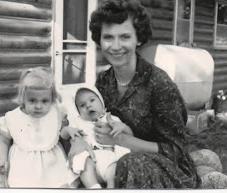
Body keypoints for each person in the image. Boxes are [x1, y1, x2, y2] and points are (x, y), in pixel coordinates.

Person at [68, 0, 201, 189]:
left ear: (138, 39)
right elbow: (88, 121)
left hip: (163, 168)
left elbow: (175, 150)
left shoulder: (159, 84)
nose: (115, 46)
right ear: (99, 40)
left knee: (129, 164)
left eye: (124, 37)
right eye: (108, 37)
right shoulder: (103, 81)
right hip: (112, 158)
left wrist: (121, 139)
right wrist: (78, 141)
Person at [0, 67, 78, 188]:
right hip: (23, 165)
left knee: (60, 184)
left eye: (45, 101)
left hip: (53, 163)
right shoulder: (13, 117)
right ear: (23, 97)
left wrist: (69, 131)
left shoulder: (56, 114)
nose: (38, 106)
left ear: (52, 99)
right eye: (32, 101)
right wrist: (1, 159)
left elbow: (62, 133)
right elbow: (3, 142)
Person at [61, 86, 132, 188]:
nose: (88, 106)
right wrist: (68, 130)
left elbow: (130, 135)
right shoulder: (78, 122)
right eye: (82, 105)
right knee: (84, 164)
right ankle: (93, 187)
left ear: (101, 102)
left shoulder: (111, 119)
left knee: (114, 172)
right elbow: (63, 134)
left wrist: (123, 127)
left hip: (109, 159)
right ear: (79, 112)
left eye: (92, 100)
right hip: (90, 159)